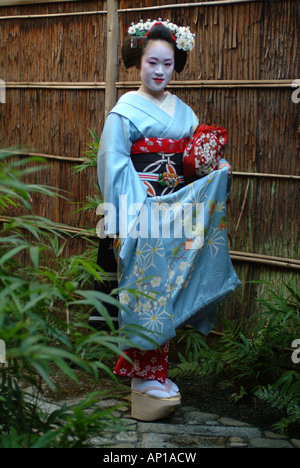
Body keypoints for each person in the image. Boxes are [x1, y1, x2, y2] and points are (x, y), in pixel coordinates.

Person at [96, 20, 241, 421]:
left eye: (168, 64)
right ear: (137, 63)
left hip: (177, 211)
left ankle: (157, 376)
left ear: (176, 65)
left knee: (171, 287)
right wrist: (137, 210)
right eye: (152, 63)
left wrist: (217, 167)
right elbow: (112, 163)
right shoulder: (123, 112)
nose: (159, 71)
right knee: (146, 291)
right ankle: (143, 379)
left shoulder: (185, 111)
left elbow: (196, 159)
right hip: (143, 213)